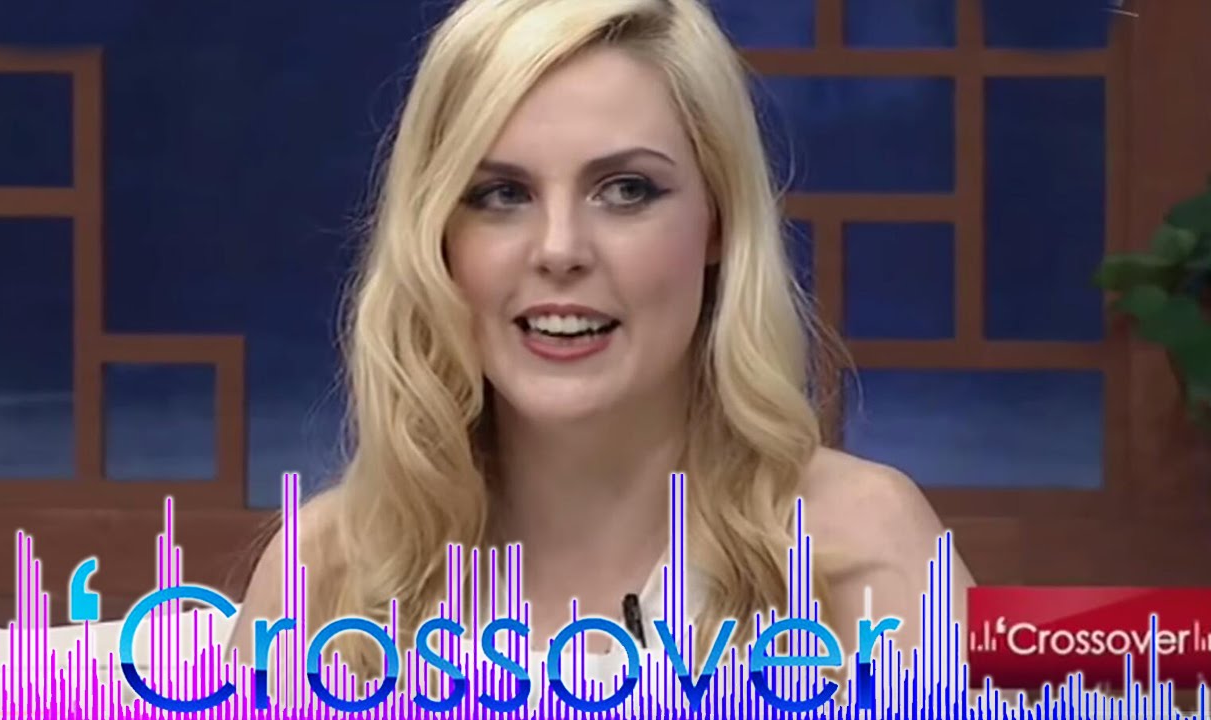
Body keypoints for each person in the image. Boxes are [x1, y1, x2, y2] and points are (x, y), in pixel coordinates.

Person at [228, 0, 976, 704]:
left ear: (718, 222)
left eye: (625, 190)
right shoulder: (325, 575)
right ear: (437, 238)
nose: (559, 250)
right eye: (501, 194)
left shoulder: (863, 552)